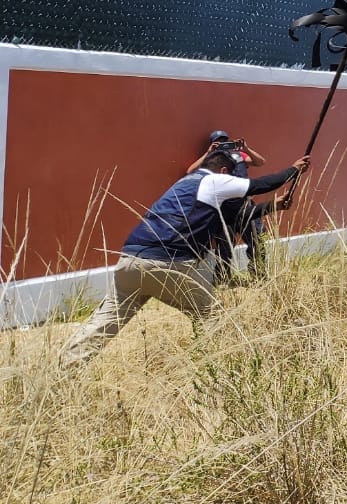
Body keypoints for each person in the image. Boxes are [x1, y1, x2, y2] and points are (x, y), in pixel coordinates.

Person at [59, 148, 310, 367]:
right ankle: (213, 370)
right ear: (223, 170)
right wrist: (293, 170)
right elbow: (258, 186)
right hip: (170, 262)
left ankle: (66, 368)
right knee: (210, 316)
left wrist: (273, 206)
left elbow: (239, 216)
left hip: (131, 260)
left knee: (106, 321)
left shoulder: (184, 185)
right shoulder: (214, 182)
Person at [185, 130, 274, 278]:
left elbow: (260, 162)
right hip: (224, 208)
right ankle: (223, 278)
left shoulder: (239, 156)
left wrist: (246, 149)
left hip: (245, 204)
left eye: (225, 141)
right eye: (219, 142)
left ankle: (259, 275)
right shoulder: (211, 161)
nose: (223, 145)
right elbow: (191, 171)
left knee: (256, 241)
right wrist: (208, 153)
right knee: (224, 246)